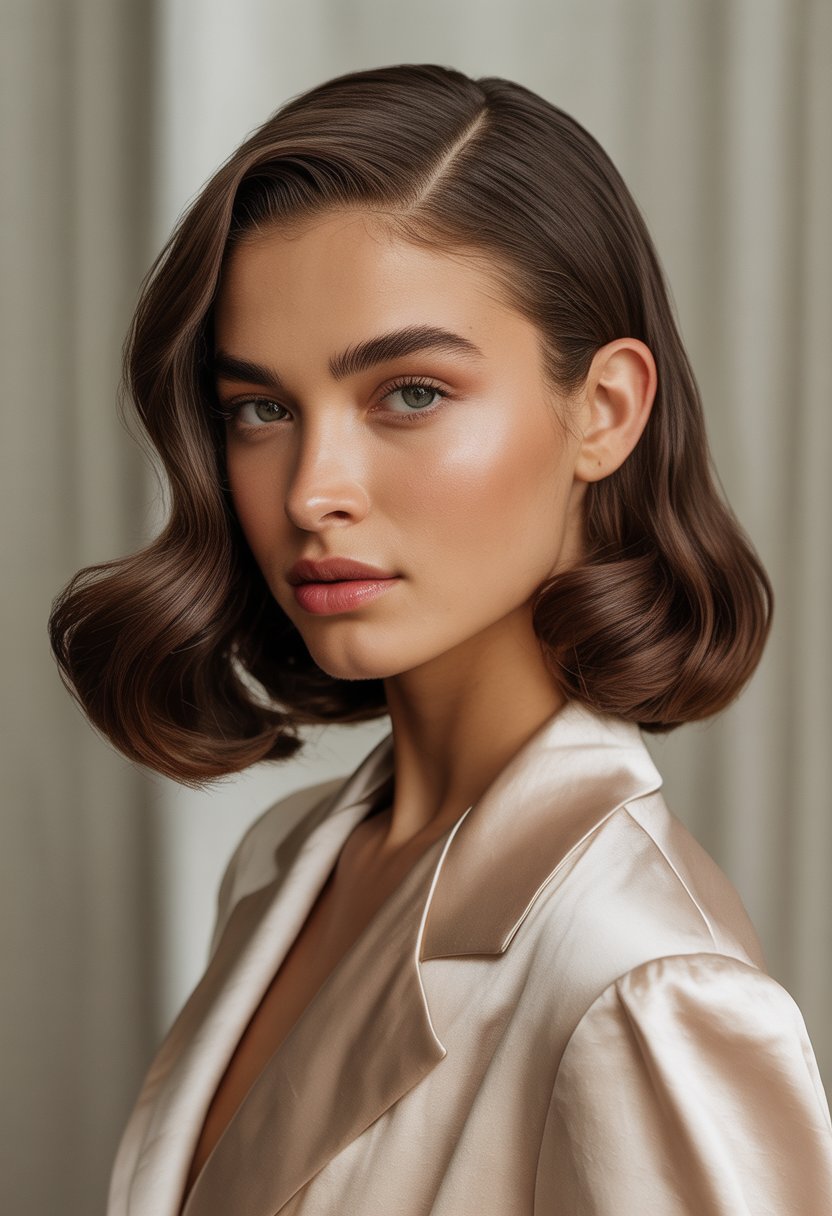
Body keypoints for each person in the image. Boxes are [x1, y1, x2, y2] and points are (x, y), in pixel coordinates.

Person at [48, 63, 832, 1215]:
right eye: (259, 408)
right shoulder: (284, 861)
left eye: (409, 393)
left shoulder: (642, 983)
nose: (312, 490)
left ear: (605, 410)